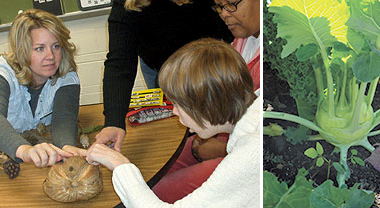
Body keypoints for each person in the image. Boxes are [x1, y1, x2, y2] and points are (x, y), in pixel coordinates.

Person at [86, 38, 261, 207]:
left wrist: (120, 165)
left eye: (178, 105)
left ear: (206, 104)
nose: (174, 111)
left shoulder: (251, 153)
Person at [148, 0, 261, 202]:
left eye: (231, 4)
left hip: (232, 150)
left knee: (156, 192)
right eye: (219, 7)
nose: (224, 14)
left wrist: (219, 148)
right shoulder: (241, 39)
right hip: (221, 134)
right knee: (153, 173)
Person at [95, 0, 234, 152]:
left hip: (209, 65)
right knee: (179, 128)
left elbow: (235, 34)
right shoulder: (129, 4)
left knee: (215, 130)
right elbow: (120, 63)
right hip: (160, 65)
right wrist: (114, 122)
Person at [0, 9, 85, 168]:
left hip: (37, 144)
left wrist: (67, 148)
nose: (51, 56)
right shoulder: (1, 72)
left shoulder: (66, 75)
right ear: (22, 50)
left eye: (56, 46)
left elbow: (64, 119)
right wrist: (25, 151)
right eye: (40, 48)